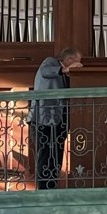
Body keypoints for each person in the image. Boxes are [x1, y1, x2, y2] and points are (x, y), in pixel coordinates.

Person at [27, 47, 83, 189]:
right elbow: (46, 72)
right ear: (68, 60)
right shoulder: (50, 62)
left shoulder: (66, 75)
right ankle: (43, 189)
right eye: (76, 62)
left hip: (59, 121)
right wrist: (65, 70)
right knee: (45, 154)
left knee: (56, 155)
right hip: (43, 119)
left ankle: (52, 186)